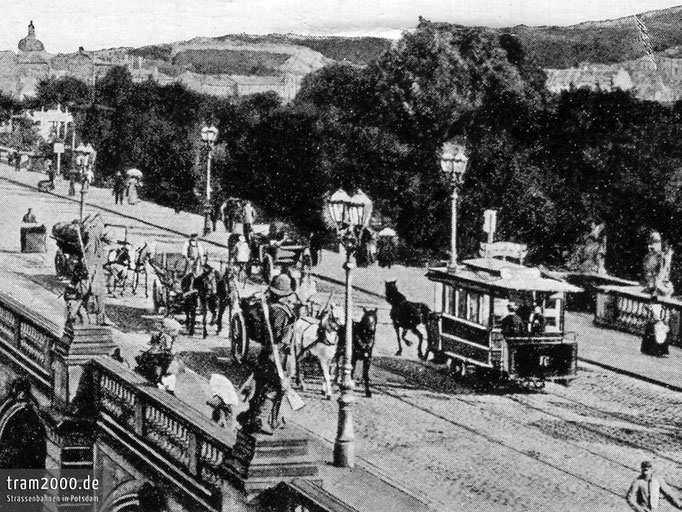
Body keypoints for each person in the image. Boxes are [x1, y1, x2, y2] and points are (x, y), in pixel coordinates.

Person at [237, 274, 297, 435]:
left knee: (262, 385)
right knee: (276, 386)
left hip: (267, 353)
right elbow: (277, 336)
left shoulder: (267, 307)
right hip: (276, 356)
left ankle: (250, 414)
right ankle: (261, 419)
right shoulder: (280, 313)